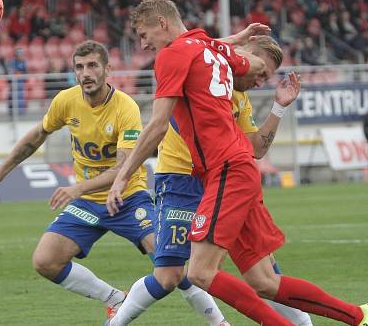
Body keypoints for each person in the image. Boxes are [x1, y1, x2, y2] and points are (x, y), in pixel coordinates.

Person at [108, 0, 368, 326]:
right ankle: (361, 316)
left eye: (144, 34)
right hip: (234, 170)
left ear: (162, 23)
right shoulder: (207, 48)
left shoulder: (175, 55)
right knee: (264, 281)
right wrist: (235, 43)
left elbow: (157, 124)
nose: (143, 44)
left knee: (199, 272)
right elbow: (236, 59)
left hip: (225, 170)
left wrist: (123, 176)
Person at [0, 40, 229, 325]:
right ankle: (113, 298)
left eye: (93, 66)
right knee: (45, 261)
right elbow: (36, 136)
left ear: (108, 69)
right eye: (79, 67)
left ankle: (218, 322)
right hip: (88, 204)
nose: (85, 73)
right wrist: (1, 172)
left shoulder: (125, 108)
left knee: (171, 264)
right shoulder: (66, 101)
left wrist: (76, 188)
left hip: (128, 197)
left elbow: (123, 168)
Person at [109, 35, 312, 326]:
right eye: (259, 71)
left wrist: (279, 108)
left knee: (263, 271)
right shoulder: (198, 71)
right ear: (243, 54)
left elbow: (255, 147)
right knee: (170, 274)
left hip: (224, 179)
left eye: (265, 77)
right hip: (181, 180)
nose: (259, 80)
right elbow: (188, 44)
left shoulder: (237, 94)